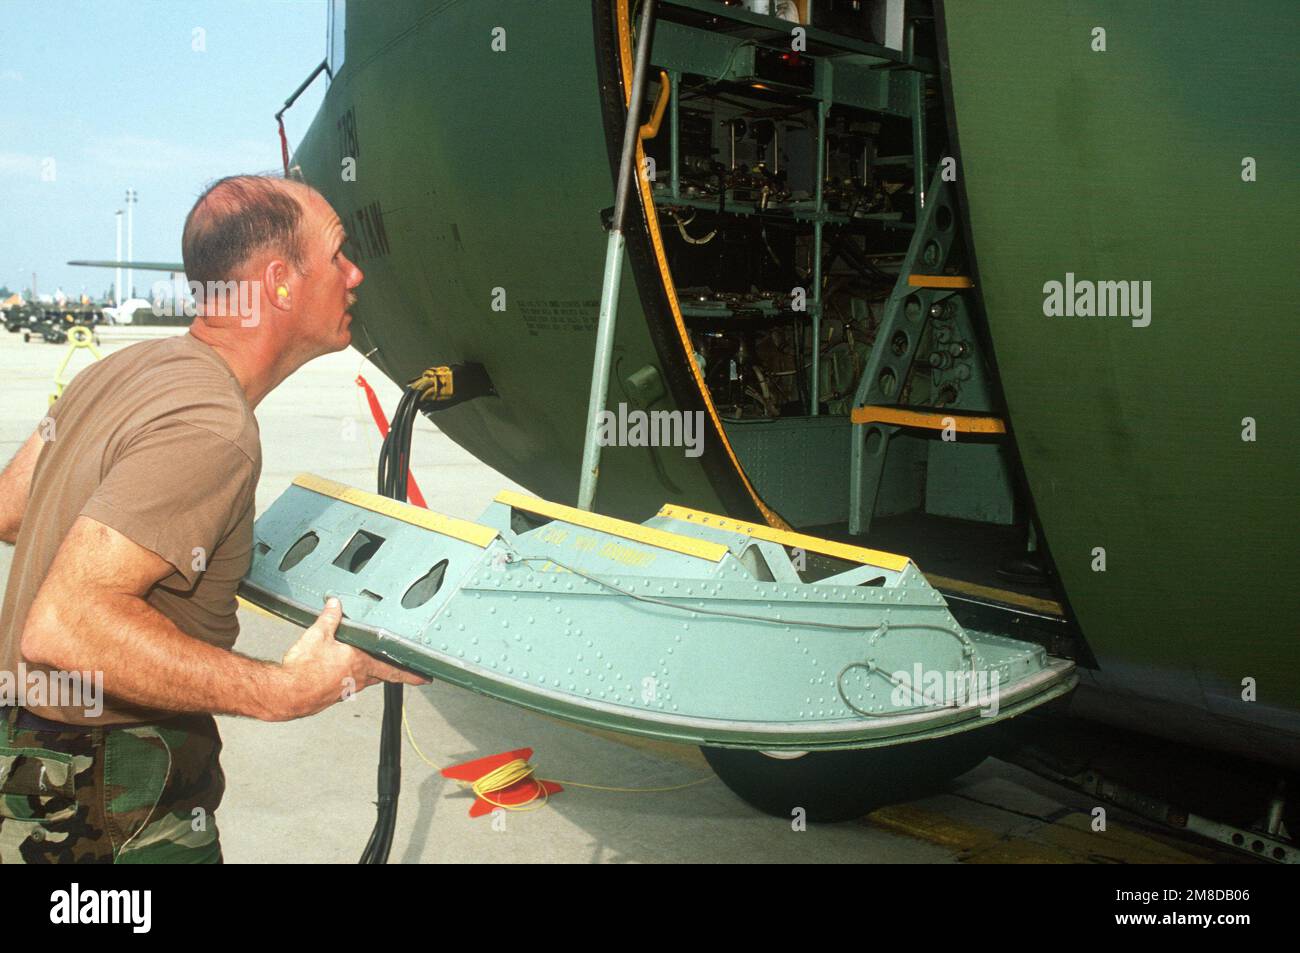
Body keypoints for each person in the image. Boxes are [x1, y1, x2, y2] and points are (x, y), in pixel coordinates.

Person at [0, 174, 425, 863]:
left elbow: (13, 508)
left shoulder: (118, 370)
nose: (356, 274)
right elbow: (64, 626)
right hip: (114, 799)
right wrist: (287, 690)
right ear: (281, 283)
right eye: (339, 254)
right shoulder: (213, 424)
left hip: (32, 769)